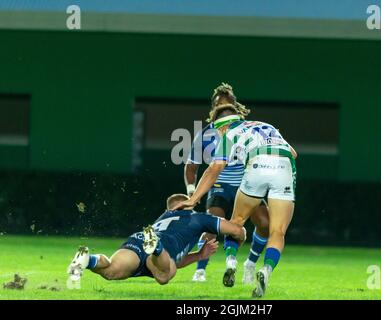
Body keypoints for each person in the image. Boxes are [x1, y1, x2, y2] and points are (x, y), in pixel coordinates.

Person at [175, 105, 297, 298]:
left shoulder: (229, 133)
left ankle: (231, 260)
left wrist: (193, 199)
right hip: (285, 165)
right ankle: (266, 270)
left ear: (222, 126)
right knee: (277, 231)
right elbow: (293, 152)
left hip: (257, 164)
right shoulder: (265, 125)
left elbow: (213, 170)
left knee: (236, 222)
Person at [185, 83, 269, 284]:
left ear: (234, 106)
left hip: (247, 186)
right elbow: (191, 167)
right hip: (219, 186)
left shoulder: (249, 130)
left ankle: (249, 263)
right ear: (213, 110)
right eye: (217, 104)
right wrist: (191, 192)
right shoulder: (205, 134)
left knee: (266, 224)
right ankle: (200, 270)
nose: (222, 106)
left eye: (226, 103)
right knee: (212, 226)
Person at [67, 194, 246, 286]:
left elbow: (176, 258)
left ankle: (87, 258)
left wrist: (199, 256)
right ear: (186, 204)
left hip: (139, 238)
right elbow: (235, 230)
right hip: (165, 245)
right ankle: (156, 248)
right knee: (163, 276)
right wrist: (241, 235)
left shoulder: (163, 217)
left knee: (111, 271)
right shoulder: (197, 217)